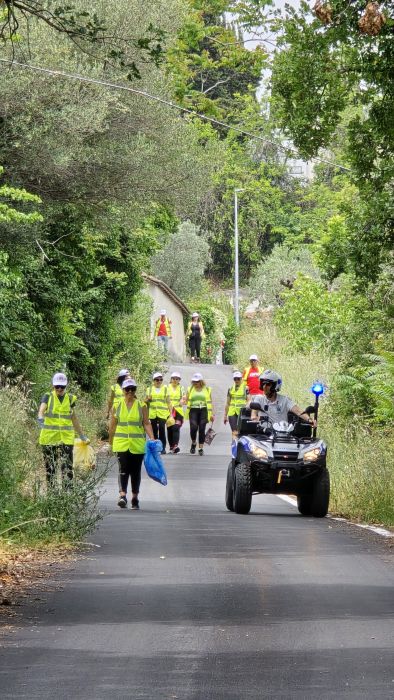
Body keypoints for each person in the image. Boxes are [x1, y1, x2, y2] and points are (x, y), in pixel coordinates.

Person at [109, 377, 155, 510]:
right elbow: (112, 426)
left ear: (135, 390)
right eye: (127, 389)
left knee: (135, 471)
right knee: (123, 469)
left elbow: (146, 423)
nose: (130, 391)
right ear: (123, 390)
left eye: (132, 389)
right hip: (121, 443)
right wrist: (110, 443)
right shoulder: (117, 405)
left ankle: (135, 498)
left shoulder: (142, 406)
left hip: (137, 444)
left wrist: (152, 438)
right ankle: (122, 495)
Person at [37, 372, 89, 488]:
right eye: (57, 386)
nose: (59, 389)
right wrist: (40, 418)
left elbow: (74, 418)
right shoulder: (48, 396)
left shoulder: (70, 399)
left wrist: (81, 435)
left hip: (66, 438)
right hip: (49, 438)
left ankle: (68, 494)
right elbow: (41, 411)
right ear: (53, 386)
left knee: (67, 467)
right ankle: (53, 495)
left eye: (62, 386)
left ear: (66, 386)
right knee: (51, 468)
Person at [251, 369, 317, 427]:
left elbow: (298, 411)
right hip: (264, 435)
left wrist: (310, 420)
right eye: (263, 384)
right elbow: (254, 413)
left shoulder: (284, 400)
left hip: (282, 435)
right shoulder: (259, 399)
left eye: (268, 384)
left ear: (275, 386)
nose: (264, 387)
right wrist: (254, 417)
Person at [185, 372, 214, 456]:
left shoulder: (207, 389)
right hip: (193, 410)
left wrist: (212, 414)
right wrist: (183, 400)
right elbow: (186, 400)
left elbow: (210, 402)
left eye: (197, 381)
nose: (195, 383)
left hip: (204, 410)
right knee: (193, 427)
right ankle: (194, 442)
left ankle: (201, 448)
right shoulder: (190, 389)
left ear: (201, 381)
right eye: (194, 381)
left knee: (202, 428)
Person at [145, 371, 172, 454]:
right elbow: (145, 402)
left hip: (162, 413)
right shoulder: (149, 389)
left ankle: (163, 447)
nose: (159, 381)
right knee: (154, 430)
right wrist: (147, 400)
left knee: (162, 428)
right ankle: (156, 447)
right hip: (152, 413)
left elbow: (168, 402)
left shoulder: (165, 389)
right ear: (154, 380)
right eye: (157, 379)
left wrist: (171, 414)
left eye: (161, 379)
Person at [224, 371, 248, 438]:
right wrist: (225, 416)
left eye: (238, 379)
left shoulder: (245, 388)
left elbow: (249, 400)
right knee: (234, 432)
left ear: (241, 378)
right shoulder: (230, 389)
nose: (237, 380)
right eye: (235, 379)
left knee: (242, 432)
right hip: (232, 412)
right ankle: (234, 447)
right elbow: (228, 403)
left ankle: (240, 446)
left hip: (242, 412)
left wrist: (247, 410)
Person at [167, 371, 186, 454]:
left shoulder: (181, 388)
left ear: (179, 380)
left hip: (178, 411)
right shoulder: (167, 387)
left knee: (176, 427)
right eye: (174, 378)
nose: (175, 380)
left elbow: (184, 397)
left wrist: (183, 400)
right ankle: (171, 446)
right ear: (171, 379)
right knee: (170, 429)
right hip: (169, 410)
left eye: (177, 379)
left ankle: (175, 445)